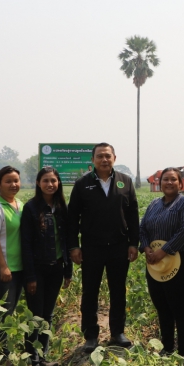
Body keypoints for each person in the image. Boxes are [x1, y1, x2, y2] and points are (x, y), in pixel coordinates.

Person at [66, 143, 140, 353]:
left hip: (119, 246)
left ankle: (118, 332)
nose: (104, 160)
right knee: (90, 291)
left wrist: (133, 243)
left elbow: (133, 214)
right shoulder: (82, 184)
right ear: (93, 160)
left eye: (108, 156)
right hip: (92, 247)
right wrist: (74, 246)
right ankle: (91, 335)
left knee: (118, 291)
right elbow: (72, 218)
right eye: (100, 156)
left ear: (114, 158)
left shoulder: (125, 181)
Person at [139, 167, 184, 357]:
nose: (169, 183)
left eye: (173, 179)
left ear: (181, 184)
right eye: (165, 179)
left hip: (180, 262)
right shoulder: (154, 204)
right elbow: (142, 228)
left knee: (178, 306)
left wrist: (163, 250)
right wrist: (146, 248)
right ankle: (167, 347)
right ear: (159, 183)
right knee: (161, 305)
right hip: (155, 264)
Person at [20, 167, 72, 366]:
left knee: (48, 315)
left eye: (53, 181)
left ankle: (42, 357)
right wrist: (30, 276)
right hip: (38, 269)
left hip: (56, 268)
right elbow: (26, 244)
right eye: (46, 181)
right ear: (38, 183)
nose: (50, 184)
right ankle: (33, 363)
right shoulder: (31, 208)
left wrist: (68, 270)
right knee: (35, 316)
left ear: (58, 183)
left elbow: (66, 241)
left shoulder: (61, 207)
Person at [0, 166, 25, 315]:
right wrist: (3, 266)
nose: (13, 184)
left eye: (16, 181)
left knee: (11, 312)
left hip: (18, 267)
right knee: (3, 315)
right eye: (8, 181)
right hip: (2, 270)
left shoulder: (20, 204)